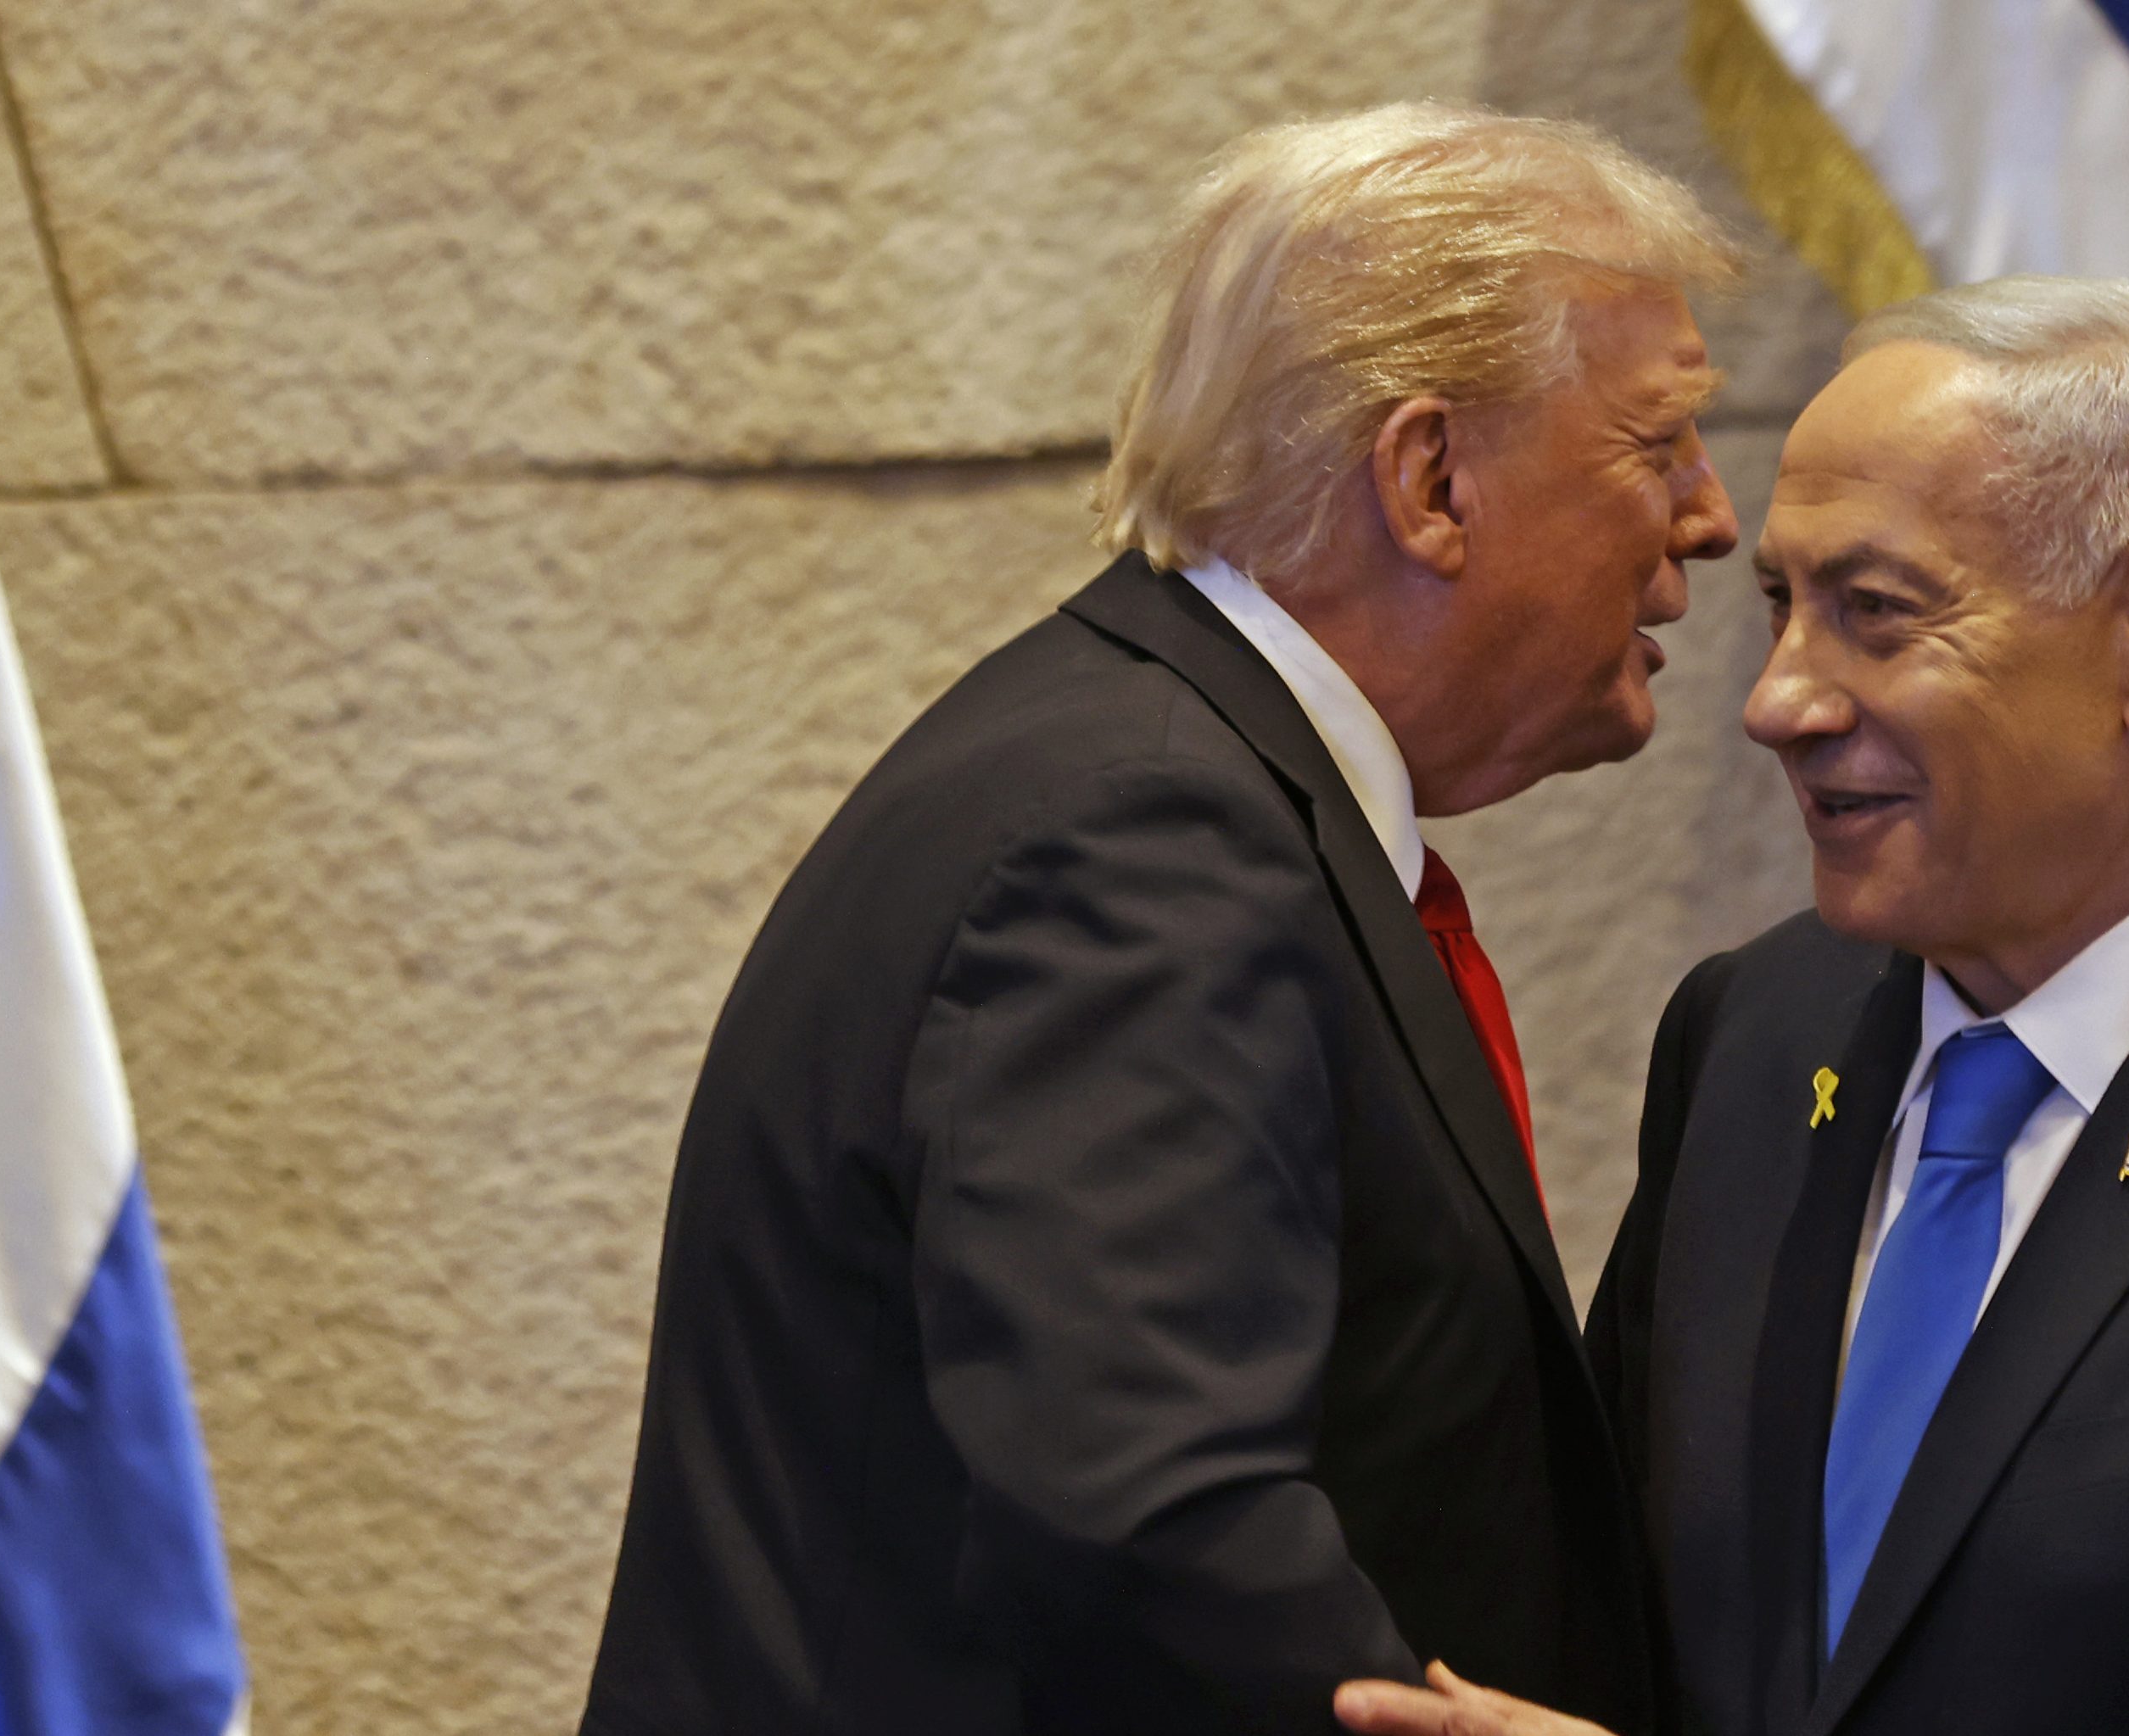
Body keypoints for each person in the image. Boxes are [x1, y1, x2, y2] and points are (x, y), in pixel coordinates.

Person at [580, 103, 1742, 1735]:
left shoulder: (1154, 773)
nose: (1708, 516)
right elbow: (1147, 1518)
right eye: (1659, 442)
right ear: (1429, 480)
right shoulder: (1146, 836)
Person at [1349, 276, 2129, 1736]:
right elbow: (1603, 1606)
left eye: (1874, 615)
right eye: (1782, 607)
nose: (1780, 700)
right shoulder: (1756, 1036)